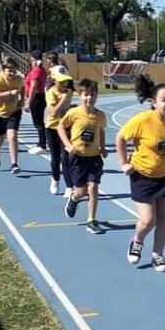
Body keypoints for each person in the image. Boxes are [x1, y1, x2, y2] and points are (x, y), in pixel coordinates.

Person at [115, 74, 165, 273]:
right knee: (148, 220)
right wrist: (124, 163)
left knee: (164, 219)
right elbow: (120, 138)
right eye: (164, 100)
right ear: (154, 102)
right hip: (142, 176)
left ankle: (158, 255)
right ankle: (137, 240)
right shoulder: (143, 120)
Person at [60, 79, 108, 234]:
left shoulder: (100, 116)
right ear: (80, 95)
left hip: (94, 157)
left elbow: (101, 131)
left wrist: (102, 147)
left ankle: (91, 220)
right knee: (82, 191)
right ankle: (74, 198)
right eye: (86, 95)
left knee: (93, 187)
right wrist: (68, 145)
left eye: (93, 95)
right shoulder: (74, 113)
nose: (89, 98)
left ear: (97, 96)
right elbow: (61, 127)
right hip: (78, 157)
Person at [0, 61, 24, 174]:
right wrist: (9, 93)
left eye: (14, 70)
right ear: (3, 70)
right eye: (9, 71)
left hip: (13, 111)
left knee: (12, 136)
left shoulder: (19, 79)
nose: (12, 73)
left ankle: (14, 164)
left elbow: (22, 88)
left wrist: (22, 100)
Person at [45, 67, 75, 196]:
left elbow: (67, 110)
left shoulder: (69, 92)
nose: (64, 84)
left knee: (66, 157)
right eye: (61, 82)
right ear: (53, 80)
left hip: (65, 128)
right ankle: (55, 179)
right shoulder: (50, 93)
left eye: (66, 81)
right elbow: (53, 112)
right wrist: (63, 99)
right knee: (55, 157)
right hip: (52, 128)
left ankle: (69, 186)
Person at [24, 49, 48, 154]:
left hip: (37, 97)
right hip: (39, 97)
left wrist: (28, 102)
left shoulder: (36, 71)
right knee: (38, 122)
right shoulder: (41, 70)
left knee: (38, 122)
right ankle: (41, 143)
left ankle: (42, 144)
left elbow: (34, 87)